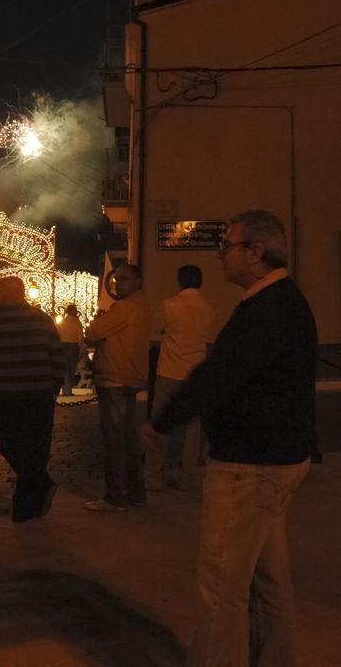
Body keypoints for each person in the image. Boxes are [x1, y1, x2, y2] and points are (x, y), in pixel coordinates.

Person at [142, 210, 317, 667]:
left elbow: (219, 375)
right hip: (273, 462)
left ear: (255, 253)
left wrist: (161, 421)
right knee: (267, 581)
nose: (222, 255)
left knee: (222, 588)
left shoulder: (269, 308)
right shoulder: (279, 302)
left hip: (250, 465)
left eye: (229, 246)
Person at [0, 276, 65, 522]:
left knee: (8, 439)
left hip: (6, 394)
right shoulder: (42, 318)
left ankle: (28, 502)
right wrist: (54, 387)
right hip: (38, 393)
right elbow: (57, 356)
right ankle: (32, 497)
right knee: (36, 447)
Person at [84, 262, 151, 512]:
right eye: (116, 279)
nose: (118, 283)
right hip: (130, 377)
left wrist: (100, 324)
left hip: (115, 378)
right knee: (129, 440)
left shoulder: (124, 308)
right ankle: (136, 493)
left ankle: (117, 496)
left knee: (115, 440)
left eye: (124, 279)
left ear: (136, 283)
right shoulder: (141, 305)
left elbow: (92, 333)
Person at [145, 265, 217, 491]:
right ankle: (187, 477)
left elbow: (155, 329)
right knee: (192, 430)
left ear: (180, 281)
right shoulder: (208, 309)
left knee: (160, 423)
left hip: (169, 369)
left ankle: (153, 476)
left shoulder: (169, 306)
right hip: (195, 372)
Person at [58, 303, 84, 395]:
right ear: (72, 311)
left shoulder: (62, 323)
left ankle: (66, 389)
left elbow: (58, 335)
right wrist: (81, 349)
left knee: (65, 369)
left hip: (62, 346)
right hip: (73, 347)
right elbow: (80, 338)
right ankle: (68, 390)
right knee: (71, 369)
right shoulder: (77, 323)